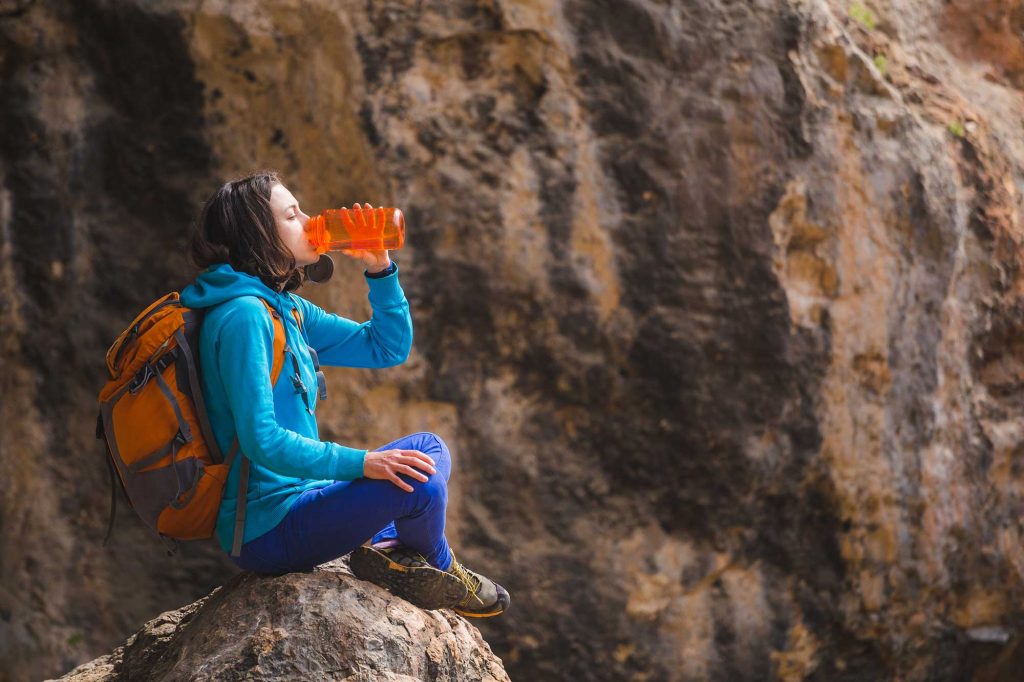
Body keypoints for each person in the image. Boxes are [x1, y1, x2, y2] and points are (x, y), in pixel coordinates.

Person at [179, 171, 509, 618]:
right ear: (257, 233)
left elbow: (386, 347)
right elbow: (262, 441)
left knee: (428, 450)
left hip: (308, 501)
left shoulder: (285, 308)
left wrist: (380, 267)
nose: (311, 220)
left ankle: (392, 548)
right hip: (268, 530)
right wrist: (365, 463)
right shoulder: (242, 316)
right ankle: (443, 570)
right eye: (292, 214)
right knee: (422, 483)